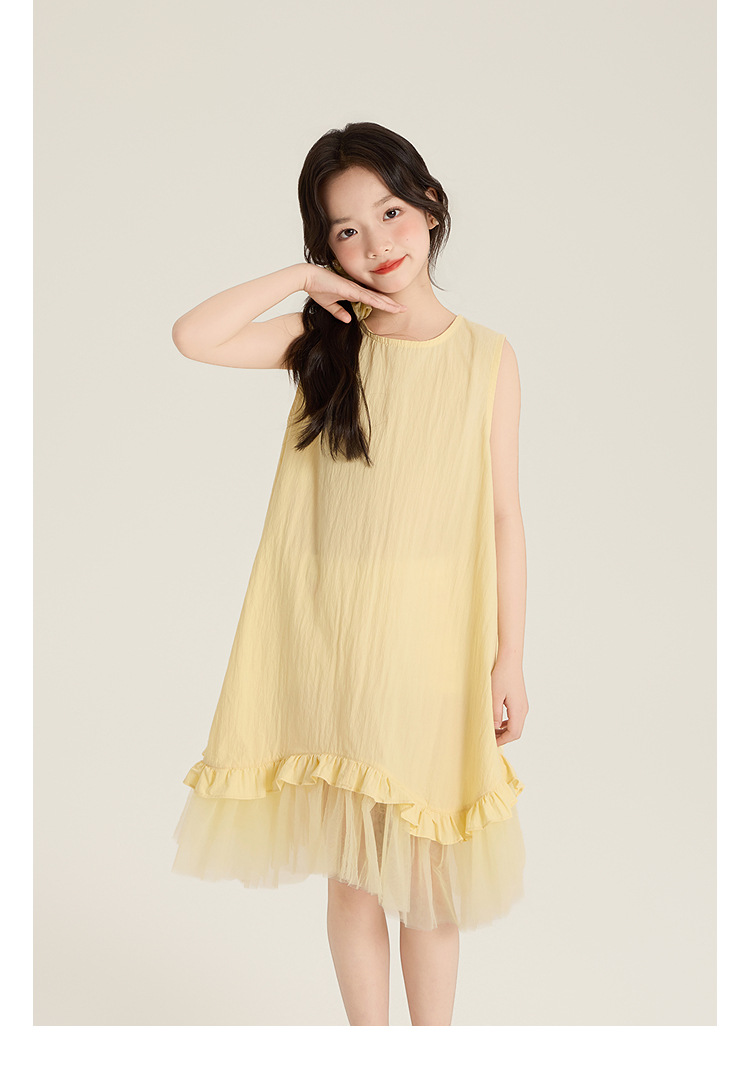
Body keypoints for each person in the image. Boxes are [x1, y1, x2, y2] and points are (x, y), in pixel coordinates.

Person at [170, 121, 529, 1026]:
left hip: (434, 650)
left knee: (429, 872)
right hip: (334, 642)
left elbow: (502, 514)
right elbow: (194, 337)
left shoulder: (486, 356)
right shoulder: (328, 341)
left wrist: (510, 658)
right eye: (346, 231)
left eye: (391, 212)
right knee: (354, 873)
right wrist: (300, 281)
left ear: (431, 206)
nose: (376, 243)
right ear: (326, 248)